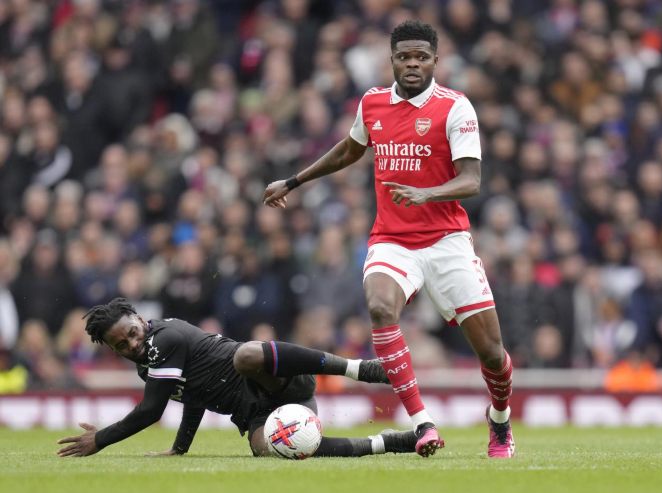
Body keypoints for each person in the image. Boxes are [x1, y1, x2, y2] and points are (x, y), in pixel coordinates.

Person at [263, 20, 515, 458]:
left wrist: (428, 193)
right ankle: (423, 423)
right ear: (392, 59)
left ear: (436, 60)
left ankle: (499, 421)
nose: (412, 63)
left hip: (447, 241)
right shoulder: (373, 103)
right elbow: (349, 149)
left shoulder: (455, 108)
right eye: (404, 56)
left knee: (492, 355)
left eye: (421, 56)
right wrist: (294, 180)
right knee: (380, 306)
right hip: (393, 240)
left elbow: (472, 179)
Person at [56, 298, 417, 458]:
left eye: (132, 332)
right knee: (267, 448)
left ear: (138, 317)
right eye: (122, 344)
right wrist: (180, 448)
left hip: (279, 380)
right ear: (112, 349)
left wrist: (101, 439)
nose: (133, 344)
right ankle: (388, 443)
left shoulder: (163, 339)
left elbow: (151, 411)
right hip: (260, 411)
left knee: (245, 355)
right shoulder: (146, 363)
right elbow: (193, 395)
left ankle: (358, 368)